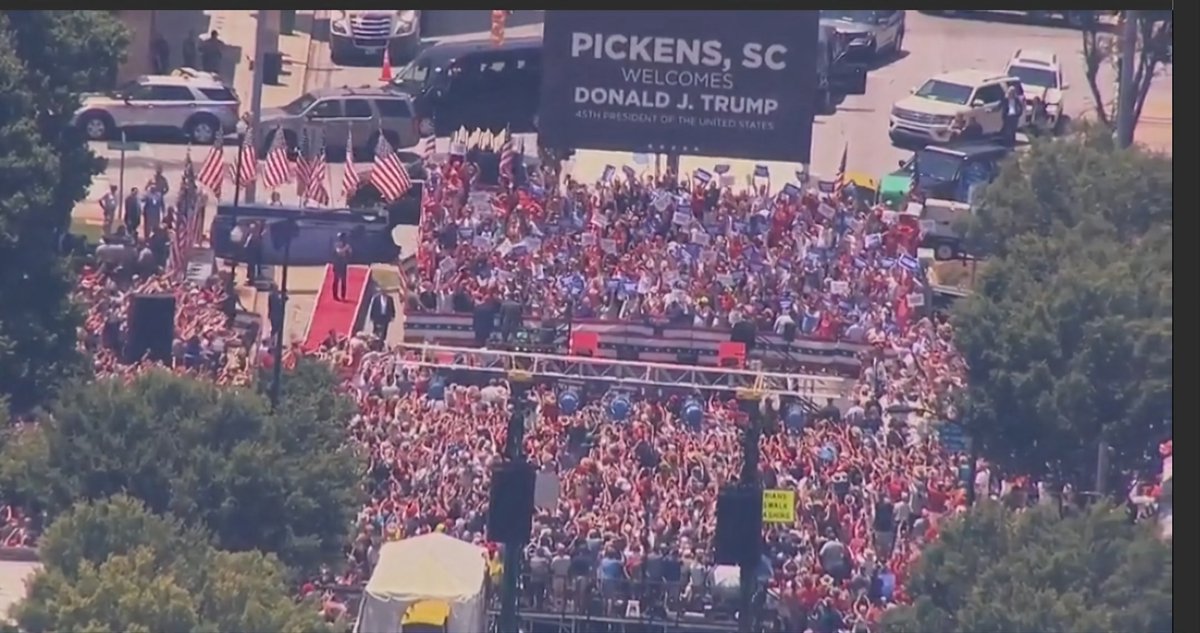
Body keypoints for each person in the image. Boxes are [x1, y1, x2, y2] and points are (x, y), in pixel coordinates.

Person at [332, 233, 352, 301]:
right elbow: (339, 251)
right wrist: (346, 248)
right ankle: (335, 296)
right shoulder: (336, 244)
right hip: (337, 264)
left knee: (344, 281)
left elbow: (350, 254)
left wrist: (349, 250)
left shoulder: (346, 245)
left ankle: (343, 296)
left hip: (343, 264)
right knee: (336, 280)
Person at [242, 221, 264, 286]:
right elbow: (245, 244)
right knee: (251, 268)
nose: (251, 230)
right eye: (250, 228)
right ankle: (251, 279)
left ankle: (253, 280)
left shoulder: (257, 237)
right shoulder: (250, 236)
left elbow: (257, 247)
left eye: (252, 229)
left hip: (253, 255)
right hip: (250, 255)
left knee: (252, 268)